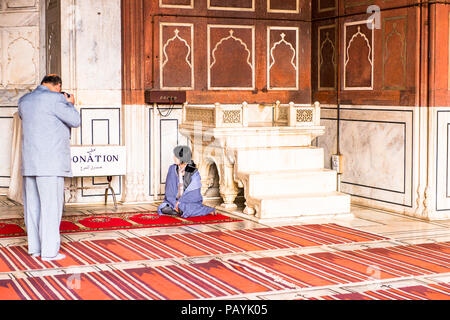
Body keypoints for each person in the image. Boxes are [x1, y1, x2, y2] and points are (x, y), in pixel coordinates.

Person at [18, 75, 80, 261]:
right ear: (58, 85)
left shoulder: (24, 100)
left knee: (33, 207)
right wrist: (70, 103)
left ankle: (35, 249)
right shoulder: (56, 99)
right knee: (51, 207)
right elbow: (75, 121)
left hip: (30, 162)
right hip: (50, 163)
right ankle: (50, 252)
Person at [158, 146, 216, 218]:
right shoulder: (172, 169)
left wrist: (179, 203)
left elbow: (194, 193)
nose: (174, 157)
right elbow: (169, 189)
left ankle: (206, 210)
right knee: (163, 208)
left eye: (176, 156)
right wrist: (174, 203)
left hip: (188, 202)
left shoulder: (194, 172)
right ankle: (181, 210)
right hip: (173, 201)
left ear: (183, 157)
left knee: (184, 207)